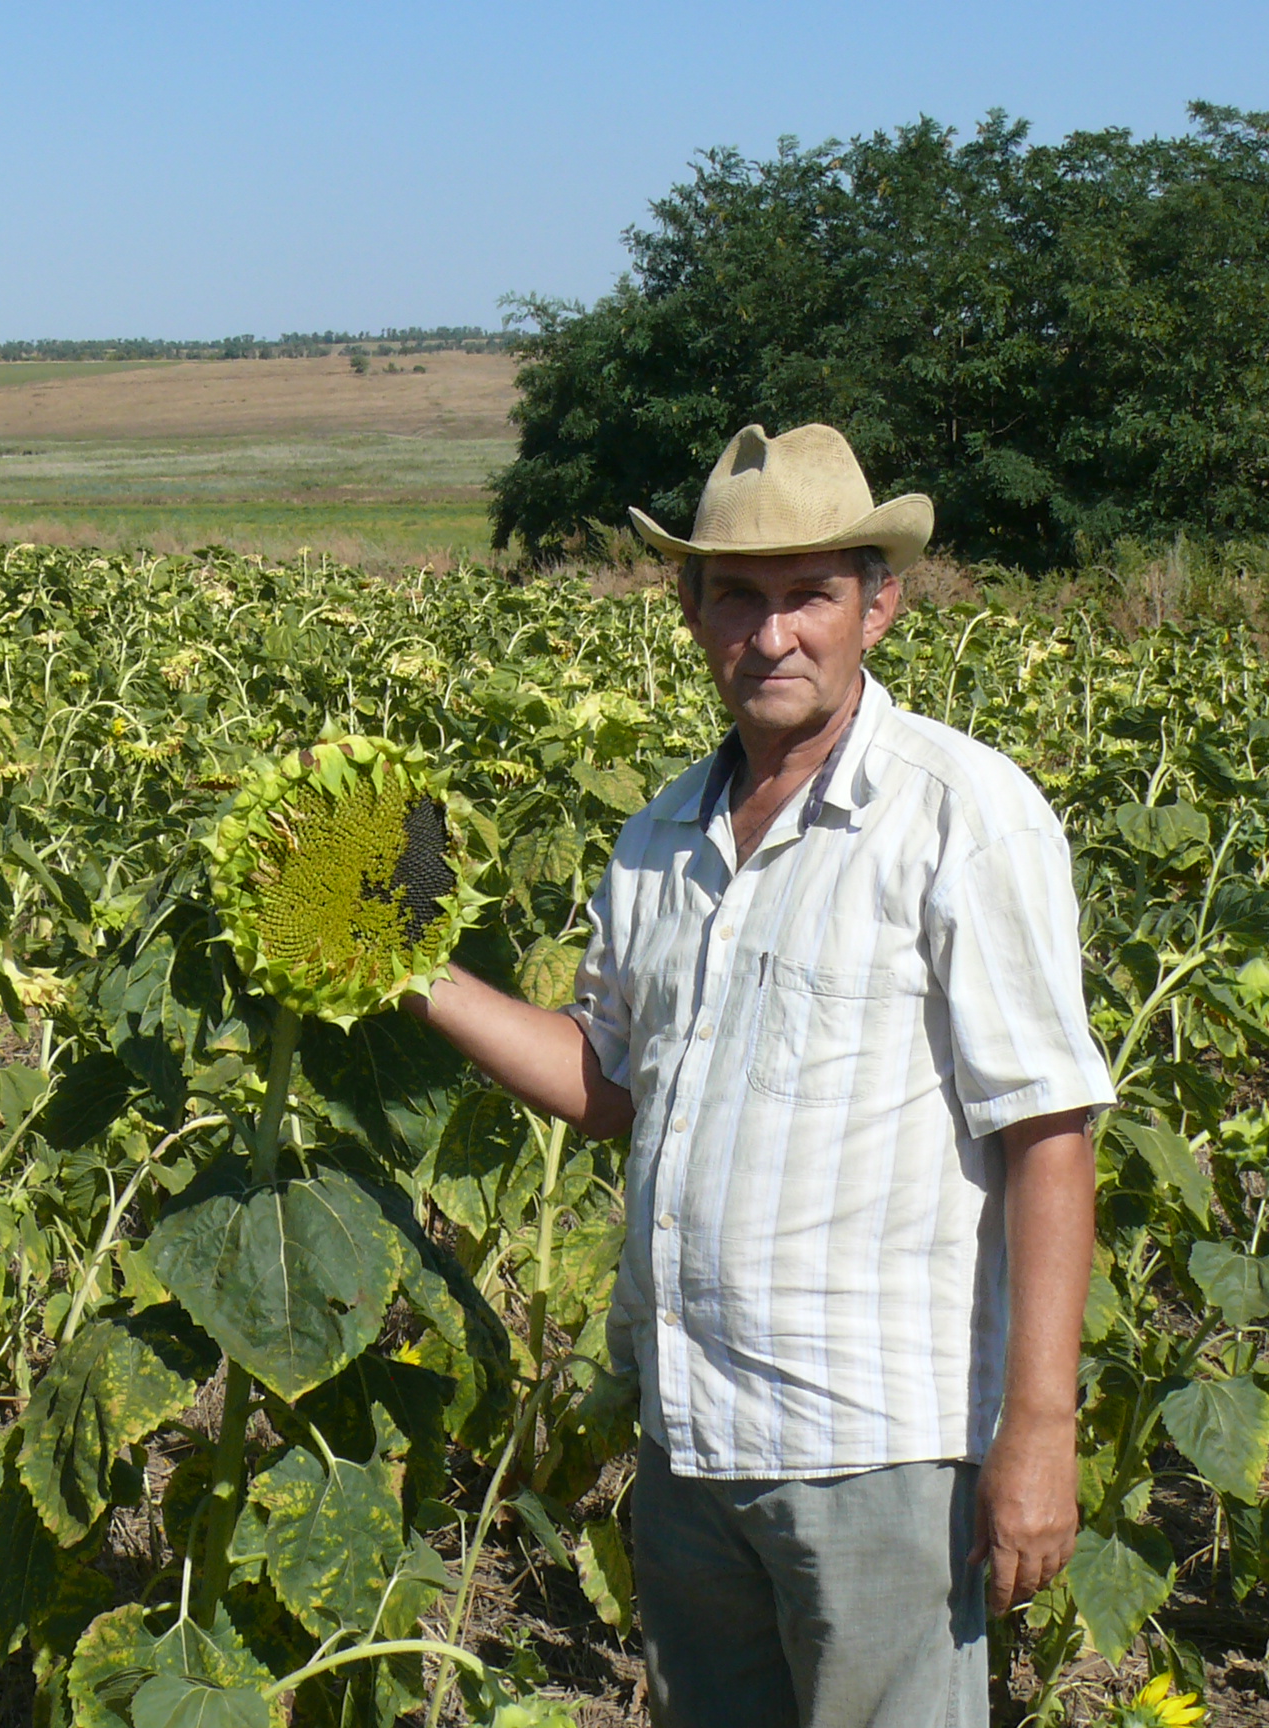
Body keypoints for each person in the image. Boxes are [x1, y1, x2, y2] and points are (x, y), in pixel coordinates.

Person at [404, 424, 1115, 1727]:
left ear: (877, 604)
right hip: (689, 1442)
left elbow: (1048, 1133)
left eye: (811, 594)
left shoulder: (960, 811)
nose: (773, 632)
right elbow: (608, 1085)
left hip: (877, 1448)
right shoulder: (658, 836)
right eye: (739, 593)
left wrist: (1040, 1430)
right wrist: (412, 972)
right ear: (689, 610)